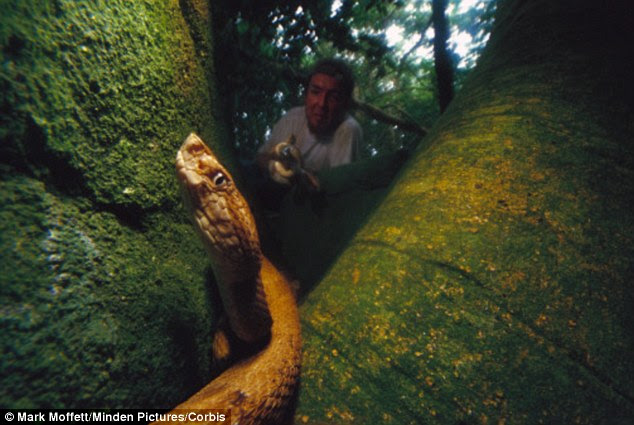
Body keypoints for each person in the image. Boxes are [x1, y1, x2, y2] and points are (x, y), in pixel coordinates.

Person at [256, 59, 363, 182]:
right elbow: (260, 157)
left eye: (333, 97)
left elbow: (339, 186)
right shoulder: (292, 117)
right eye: (316, 92)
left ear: (344, 104)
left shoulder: (347, 129)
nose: (321, 104)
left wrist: (301, 177)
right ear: (306, 95)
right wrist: (273, 165)